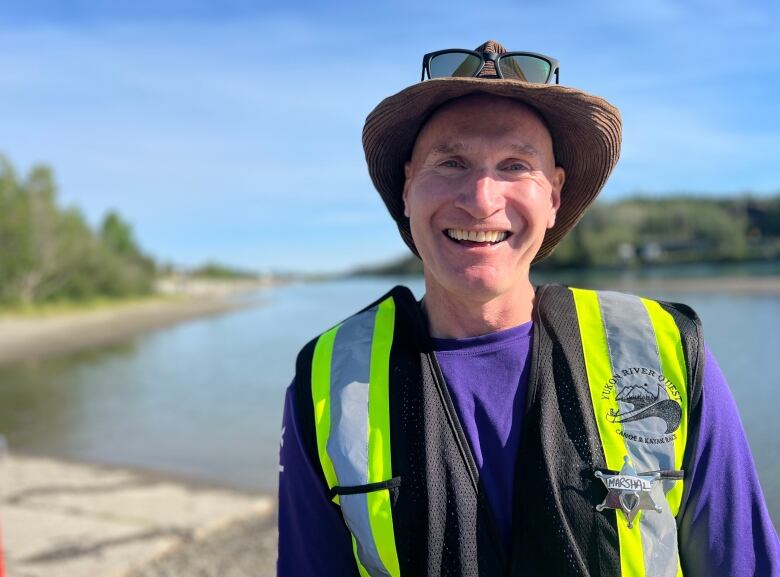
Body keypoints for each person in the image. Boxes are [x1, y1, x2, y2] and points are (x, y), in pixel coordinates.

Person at [277, 40, 779, 576]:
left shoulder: (663, 347)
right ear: (407, 189)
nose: (481, 198)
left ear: (555, 194)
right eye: (451, 161)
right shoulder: (330, 379)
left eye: (515, 165)